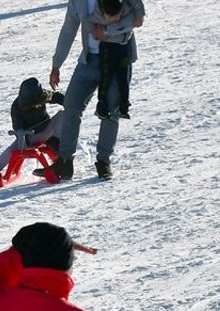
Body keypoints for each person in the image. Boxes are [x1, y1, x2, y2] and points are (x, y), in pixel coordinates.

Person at [44, 0, 145, 180]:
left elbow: (135, 19)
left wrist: (106, 32)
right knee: (71, 105)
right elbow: (69, 28)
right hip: (89, 61)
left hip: (117, 62)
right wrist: (56, 64)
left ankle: (103, 162)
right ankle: (65, 162)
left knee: (111, 111)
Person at [0, 78, 66, 185]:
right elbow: (18, 128)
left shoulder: (42, 95)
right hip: (30, 136)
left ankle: (60, 158)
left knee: (62, 114)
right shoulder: (17, 107)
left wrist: (68, 102)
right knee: (12, 150)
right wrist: (21, 134)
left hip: (48, 129)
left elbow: (55, 96)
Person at [90, 0, 141, 119]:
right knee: (107, 75)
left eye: (116, 16)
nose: (113, 20)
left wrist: (108, 30)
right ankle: (102, 105)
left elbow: (133, 18)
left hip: (123, 47)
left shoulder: (127, 8)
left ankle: (124, 105)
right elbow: (92, 25)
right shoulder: (99, 9)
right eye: (109, 16)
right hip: (108, 48)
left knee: (123, 77)